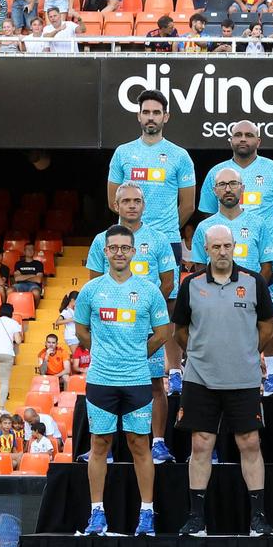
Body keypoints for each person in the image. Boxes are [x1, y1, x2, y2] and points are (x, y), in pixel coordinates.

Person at [173, 221, 273, 537]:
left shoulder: (253, 281)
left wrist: (245, 354)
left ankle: (258, 518)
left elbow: (267, 328)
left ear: (234, 247)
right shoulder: (190, 284)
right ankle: (196, 519)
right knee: (201, 444)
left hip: (243, 380)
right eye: (215, 246)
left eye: (227, 246)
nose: (222, 251)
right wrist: (203, 353)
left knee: (250, 443)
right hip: (200, 379)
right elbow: (180, 331)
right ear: (206, 249)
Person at [76, 228, 173, 537]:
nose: (119, 252)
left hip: (136, 380)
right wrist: (105, 354)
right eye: (113, 248)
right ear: (105, 252)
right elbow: (80, 332)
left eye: (124, 248)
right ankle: (97, 514)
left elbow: (163, 332)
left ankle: (146, 513)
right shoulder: (91, 290)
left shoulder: (148, 290)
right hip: (101, 380)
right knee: (99, 445)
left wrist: (134, 354)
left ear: (133, 252)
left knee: (139, 446)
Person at [87, 183, 180, 464]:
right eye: (125, 200)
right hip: (111, 331)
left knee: (153, 383)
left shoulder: (159, 240)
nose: (131, 205)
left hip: (145, 328)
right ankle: (106, 447)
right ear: (116, 205)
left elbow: (168, 282)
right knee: (108, 386)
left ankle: (159, 444)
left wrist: (145, 309)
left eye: (136, 200)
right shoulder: (100, 240)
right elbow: (93, 286)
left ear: (144, 205)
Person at [106, 87, 196, 256]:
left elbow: (188, 206)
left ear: (166, 116)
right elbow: (113, 202)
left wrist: (163, 229)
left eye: (156, 112)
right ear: (139, 116)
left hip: (167, 239)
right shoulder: (122, 152)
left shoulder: (180, 155)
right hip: (128, 240)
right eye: (146, 112)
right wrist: (137, 229)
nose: (151, 117)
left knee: (167, 284)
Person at [198, 120, 273, 232]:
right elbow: (209, 211)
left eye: (249, 135)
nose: (243, 139)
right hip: (228, 246)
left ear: (258, 141)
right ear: (231, 141)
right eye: (238, 135)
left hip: (266, 247)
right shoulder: (216, 172)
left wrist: (268, 232)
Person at [187, 166, 273, 279]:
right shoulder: (203, 227)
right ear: (215, 191)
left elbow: (267, 267)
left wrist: (253, 292)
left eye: (233, 183)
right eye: (222, 184)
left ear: (243, 188)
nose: (228, 189)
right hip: (215, 295)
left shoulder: (259, 224)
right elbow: (200, 267)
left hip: (249, 294)